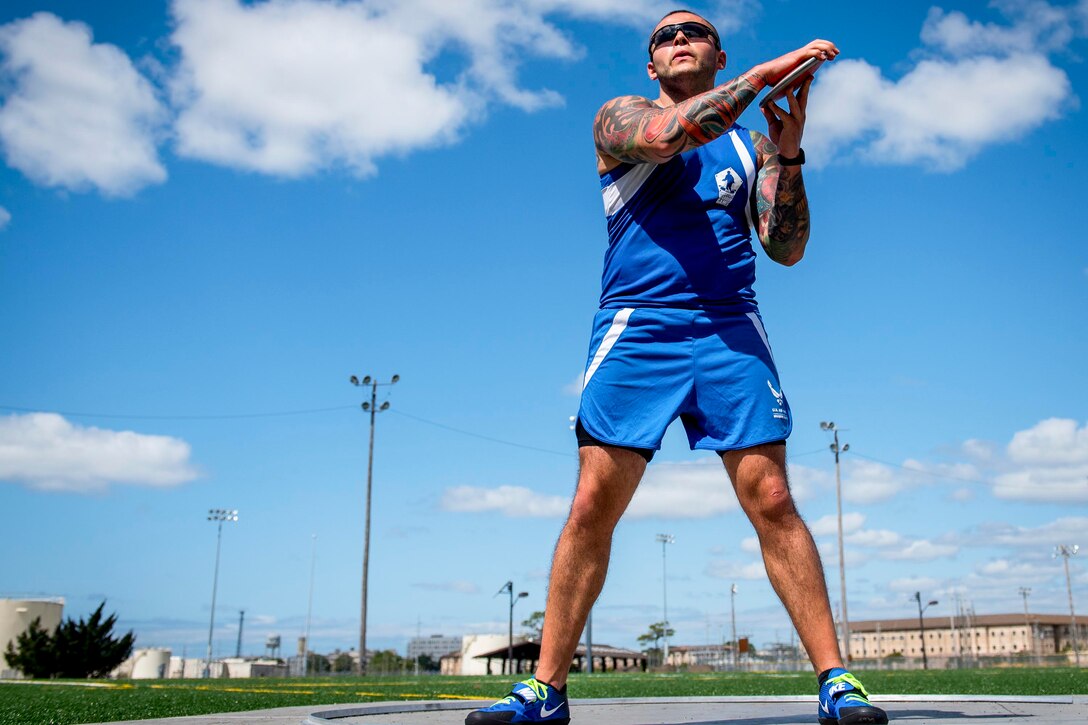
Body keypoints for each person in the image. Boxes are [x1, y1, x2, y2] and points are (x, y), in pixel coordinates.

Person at [467, 9, 887, 725]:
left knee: (774, 499)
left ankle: (836, 682)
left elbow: (786, 248)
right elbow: (667, 138)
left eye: (693, 32)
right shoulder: (619, 118)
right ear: (652, 67)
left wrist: (787, 156)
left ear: (716, 56)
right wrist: (766, 75)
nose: (678, 39)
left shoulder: (751, 146)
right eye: (664, 37)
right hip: (639, 326)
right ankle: (544, 689)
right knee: (593, 502)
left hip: (729, 329)